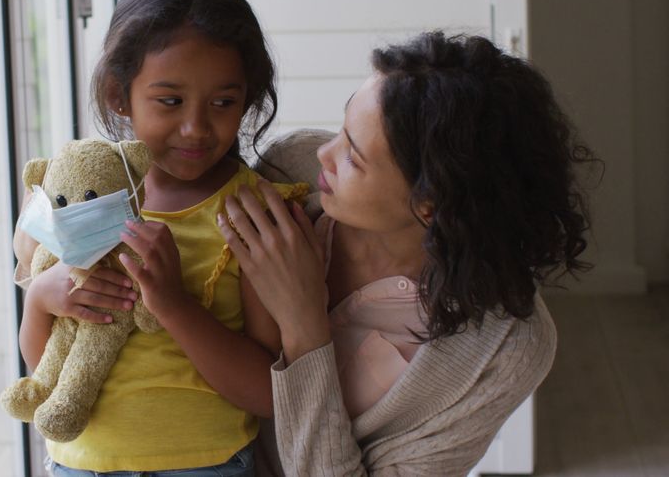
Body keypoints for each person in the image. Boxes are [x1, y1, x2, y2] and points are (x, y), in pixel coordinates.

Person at [218, 32, 597, 475]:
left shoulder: (507, 348)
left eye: (353, 159)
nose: (324, 152)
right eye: (343, 129)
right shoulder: (291, 171)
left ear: (430, 204)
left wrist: (304, 327)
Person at [13, 0, 292, 475]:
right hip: (78, 466)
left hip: (206, 467)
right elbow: (45, 368)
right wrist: (39, 298)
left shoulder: (251, 213)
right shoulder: (76, 194)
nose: (196, 127)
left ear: (248, 98)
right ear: (121, 95)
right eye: (170, 101)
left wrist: (173, 305)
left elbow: (267, 394)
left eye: (223, 103)